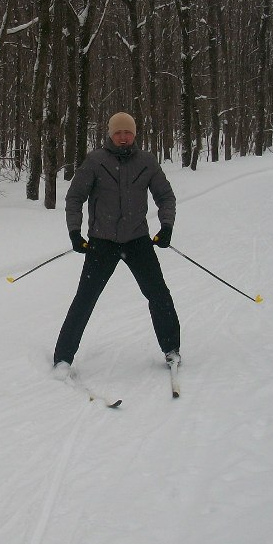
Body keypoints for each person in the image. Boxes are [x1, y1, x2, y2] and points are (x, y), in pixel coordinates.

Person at [53, 111, 180, 377]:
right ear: (110, 134)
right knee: (85, 299)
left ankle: (172, 350)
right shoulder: (95, 161)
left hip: (137, 241)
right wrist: (75, 233)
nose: (123, 137)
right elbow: (75, 198)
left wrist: (166, 227)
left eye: (128, 132)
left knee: (159, 295)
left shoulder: (146, 161)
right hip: (102, 243)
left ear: (134, 134)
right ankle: (63, 358)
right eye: (118, 133)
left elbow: (165, 196)